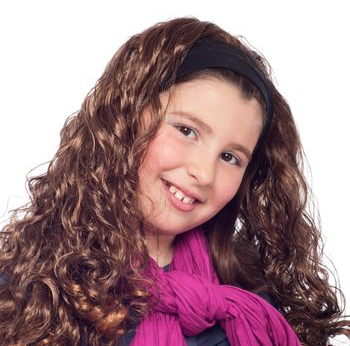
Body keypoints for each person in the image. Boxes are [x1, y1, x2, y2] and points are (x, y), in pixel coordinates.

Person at [0, 17, 349, 346]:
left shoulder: (250, 291)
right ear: (128, 117)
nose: (204, 173)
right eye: (187, 131)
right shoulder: (28, 284)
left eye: (230, 157)